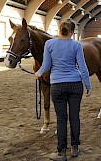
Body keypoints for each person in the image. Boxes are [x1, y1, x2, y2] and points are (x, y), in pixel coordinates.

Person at [35, 19, 91, 160]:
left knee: (61, 119)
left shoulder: (49, 44)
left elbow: (46, 65)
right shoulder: (76, 45)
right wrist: (88, 85)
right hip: (75, 84)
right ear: (72, 32)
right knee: (74, 117)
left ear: (59, 31)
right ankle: (75, 148)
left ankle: (62, 152)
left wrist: (39, 73)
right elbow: (83, 67)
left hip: (57, 86)